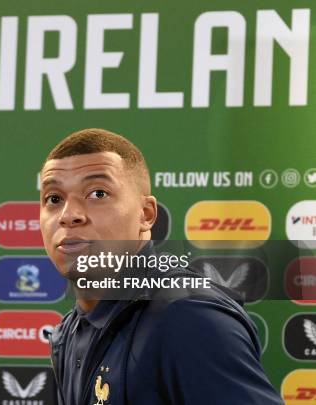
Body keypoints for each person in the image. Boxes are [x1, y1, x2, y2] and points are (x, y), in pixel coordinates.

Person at [39, 128, 284, 405]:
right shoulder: (69, 331)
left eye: (97, 193)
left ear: (146, 215)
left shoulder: (188, 316)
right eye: (54, 199)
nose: (69, 215)